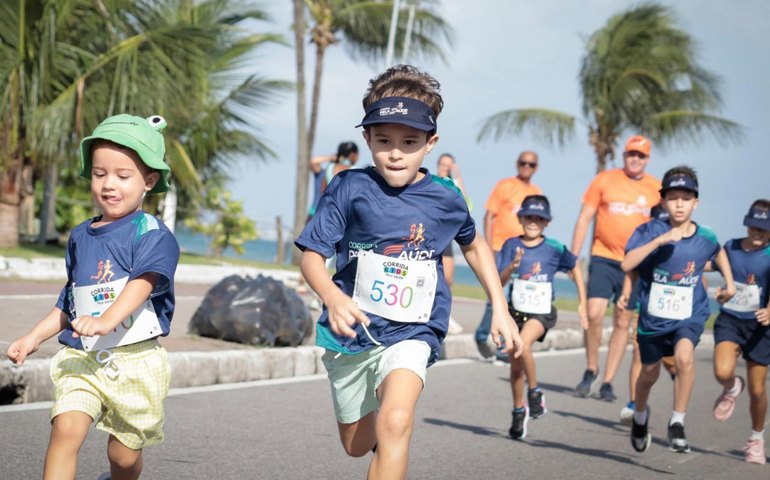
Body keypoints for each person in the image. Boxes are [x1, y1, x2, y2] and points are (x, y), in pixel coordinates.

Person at [295, 64, 522, 480]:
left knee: (397, 420)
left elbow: (474, 244)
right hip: (351, 332)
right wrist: (332, 296)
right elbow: (312, 255)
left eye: (409, 142)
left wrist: (501, 307)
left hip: (413, 329)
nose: (395, 153)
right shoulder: (348, 187)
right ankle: (377, 430)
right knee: (356, 444)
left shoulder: (446, 197)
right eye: (383, 140)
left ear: (430, 142)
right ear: (367, 138)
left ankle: (389, 427)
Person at [5, 114, 180, 479]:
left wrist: (105, 321)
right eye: (100, 174)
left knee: (124, 456)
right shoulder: (80, 236)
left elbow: (142, 284)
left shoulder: (152, 233)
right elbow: (70, 300)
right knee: (65, 430)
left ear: (149, 181)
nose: (108, 185)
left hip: (135, 360)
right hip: (82, 358)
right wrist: (34, 336)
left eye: (122, 175)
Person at [623, 166, 735, 454]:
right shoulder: (648, 230)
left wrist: (730, 284)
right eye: (673, 197)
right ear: (663, 201)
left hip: (690, 313)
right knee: (649, 374)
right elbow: (627, 264)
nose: (680, 203)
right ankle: (640, 417)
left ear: (696, 202)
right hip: (653, 319)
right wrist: (660, 240)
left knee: (685, 358)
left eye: (686, 198)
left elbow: (718, 251)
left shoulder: (705, 236)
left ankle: (677, 421)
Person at [571, 135, 661, 400]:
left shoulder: (657, 188)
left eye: (641, 155)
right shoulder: (605, 180)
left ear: (648, 159)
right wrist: (573, 255)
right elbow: (585, 218)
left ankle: (608, 380)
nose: (635, 159)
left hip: (635, 265)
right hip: (603, 256)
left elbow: (663, 227)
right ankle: (591, 368)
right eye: (631, 154)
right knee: (594, 312)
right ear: (624, 155)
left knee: (623, 319)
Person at [497, 195, 588, 439]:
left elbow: (575, 266)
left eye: (539, 218)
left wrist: (583, 303)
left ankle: (535, 391)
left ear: (547, 222)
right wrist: (512, 268)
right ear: (520, 218)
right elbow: (499, 282)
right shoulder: (510, 246)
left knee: (523, 344)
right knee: (516, 366)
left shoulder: (554, 248)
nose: (533, 222)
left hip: (542, 312)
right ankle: (518, 409)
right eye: (529, 217)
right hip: (515, 312)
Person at [710, 199, 770, 464]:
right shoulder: (731, 247)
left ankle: (756, 438)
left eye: (764, 228)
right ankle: (733, 387)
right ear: (747, 224)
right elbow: (704, 265)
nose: (758, 232)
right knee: (722, 371)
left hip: (760, 326)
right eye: (754, 226)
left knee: (758, 390)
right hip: (731, 319)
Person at [475, 150, 542, 358]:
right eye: (523, 163)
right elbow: (489, 216)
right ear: (517, 163)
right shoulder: (504, 186)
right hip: (500, 248)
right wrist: (488, 248)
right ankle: (482, 334)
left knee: (514, 300)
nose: (526, 167)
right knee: (496, 294)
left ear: (536, 168)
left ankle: (503, 347)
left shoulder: (536, 193)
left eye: (531, 164)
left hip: (523, 252)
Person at [618, 203, 677, 425]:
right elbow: (631, 267)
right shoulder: (645, 237)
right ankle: (634, 403)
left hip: (674, 310)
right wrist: (625, 292)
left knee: (673, 359)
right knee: (638, 353)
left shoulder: (682, 237)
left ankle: (678, 390)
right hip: (647, 305)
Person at [436, 153, 471, 334]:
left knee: (448, 279)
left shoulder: (453, 186)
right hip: (431, 235)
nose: (445, 168)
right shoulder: (432, 182)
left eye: (448, 165)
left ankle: (446, 315)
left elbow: (467, 205)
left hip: (448, 237)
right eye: (442, 164)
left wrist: (457, 176)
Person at [307, 141, 359, 220]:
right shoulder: (355, 171)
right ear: (353, 155)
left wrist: (331, 158)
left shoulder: (329, 168)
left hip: (317, 213)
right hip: (336, 217)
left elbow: (323, 190)